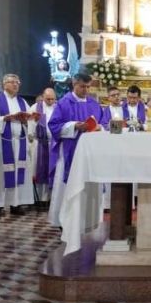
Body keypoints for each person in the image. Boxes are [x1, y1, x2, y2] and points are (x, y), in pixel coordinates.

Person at [47, 73, 103, 227]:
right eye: (82, 86)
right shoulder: (64, 103)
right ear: (74, 84)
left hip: (90, 153)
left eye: (88, 87)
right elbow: (54, 126)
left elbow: (103, 122)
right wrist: (75, 126)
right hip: (69, 152)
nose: (85, 90)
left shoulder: (94, 104)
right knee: (65, 186)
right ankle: (63, 221)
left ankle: (86, 219)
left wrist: (99, 127)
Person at [0, 74, 36, 217]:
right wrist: (5, 118)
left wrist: (28, 119)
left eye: (18, 82)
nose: (16, 85)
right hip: (3, 142)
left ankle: (15, 204)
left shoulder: (23, 102)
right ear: (5, 84)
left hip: (20, 143)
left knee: (19, 173)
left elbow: (30, 122)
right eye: (13, 82)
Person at [32, 88, 57, 209]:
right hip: (40, 144)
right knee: (38, 170)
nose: (51, 101)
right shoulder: (35, 108)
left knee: (52, 171)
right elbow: (29, 124)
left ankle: (50, 199)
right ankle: (39, 199)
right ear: (43, 97)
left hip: (54, 144)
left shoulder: (58, 108)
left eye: (53, 99)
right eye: (48, 99)